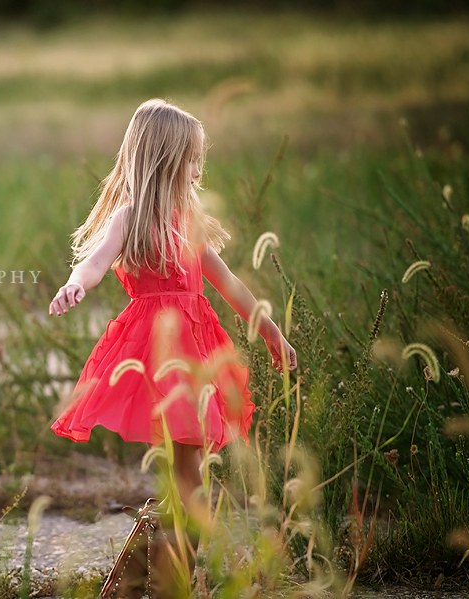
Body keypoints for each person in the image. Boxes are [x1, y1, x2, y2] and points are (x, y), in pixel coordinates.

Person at [48, 98, 297, 527]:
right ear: (164, 160)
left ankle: (182, 539)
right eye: (192, 161)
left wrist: (271, 331)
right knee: (188, 448)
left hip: (198, 351)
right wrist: (75, 283)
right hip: (157, 350)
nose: (199, 171)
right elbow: (95, 261)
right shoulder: (128, 219)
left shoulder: (190, 222)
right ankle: (180, 543)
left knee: (193, 451)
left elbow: (230, 284)